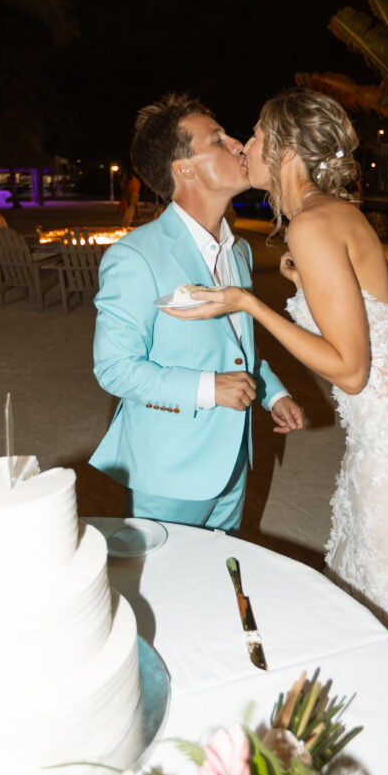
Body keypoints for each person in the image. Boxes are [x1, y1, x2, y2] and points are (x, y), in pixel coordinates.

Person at [165, 88, 388, 775]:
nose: (244, 146)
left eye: (255, 134)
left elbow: (348, 370)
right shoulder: (323, 220)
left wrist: (250, 302)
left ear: (286, 148)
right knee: (387, 590)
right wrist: (295, 284)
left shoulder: (316, 225)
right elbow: (359, 324)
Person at [90, 92, 303, 532]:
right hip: (170, 466)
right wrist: (210, 389)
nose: (240, 145)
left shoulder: (238, 250)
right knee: (168, 585)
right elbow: (114, 369)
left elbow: (235, 348)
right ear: (183, 168)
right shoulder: (134, 256)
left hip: (233, 460)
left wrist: (272, 392)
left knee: (218, 575)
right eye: (218, 140)